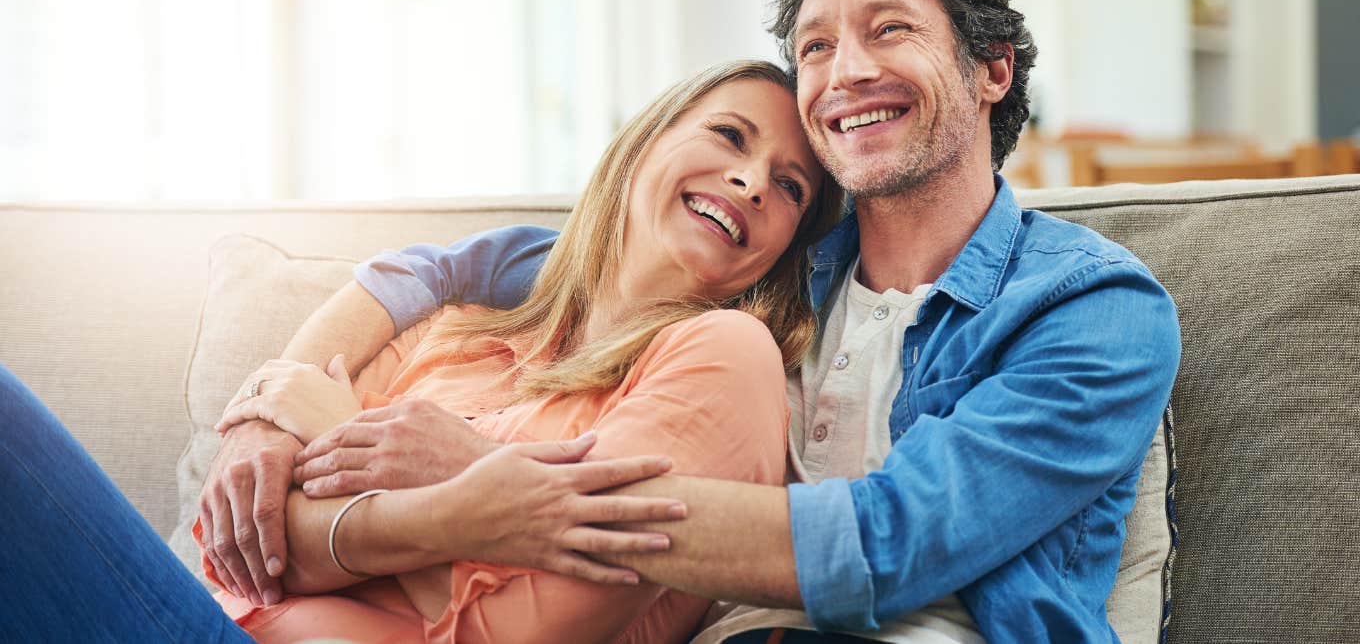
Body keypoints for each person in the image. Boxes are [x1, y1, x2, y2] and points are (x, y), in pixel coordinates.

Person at [207, 0, 1183, 644]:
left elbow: (889, 545)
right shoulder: (772, 272)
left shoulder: (1094, 310)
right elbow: (482, 267)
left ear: (992, 68)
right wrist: (266, 414)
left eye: (888, 29)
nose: (843, 73)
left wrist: (496, 482)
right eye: (814, 46)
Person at [0, 59, 844, 643]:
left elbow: (543, 624)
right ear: (645, 146)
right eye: (730, 137)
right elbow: (262, 547)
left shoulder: (725, 357)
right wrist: (470, 519)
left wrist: (441, 481)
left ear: (781, 251)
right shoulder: (463, 329)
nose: (752, 181)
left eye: (790, 188)